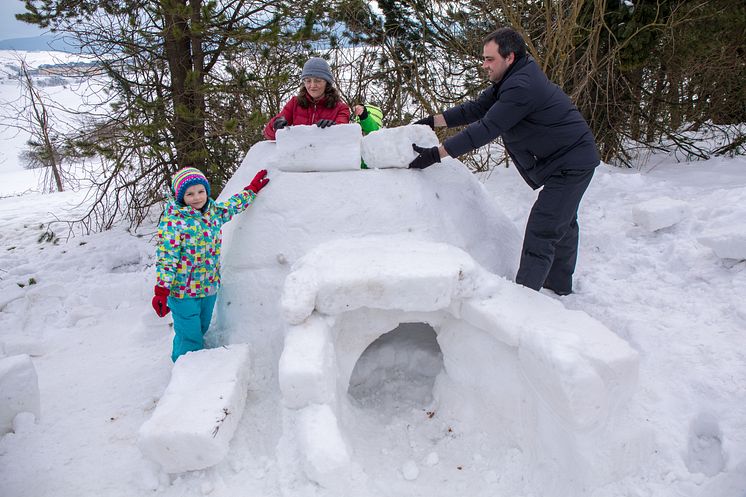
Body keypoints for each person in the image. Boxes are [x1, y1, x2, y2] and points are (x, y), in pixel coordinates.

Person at [409, 27, 600, 296]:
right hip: (564, 158)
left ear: (509, 57)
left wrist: (435, 154)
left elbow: (486, 128)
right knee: (563, 223)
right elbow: (474, 109)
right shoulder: (511, 79)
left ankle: (523, 301)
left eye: (489, 59)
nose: (483, 65)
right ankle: (558, 288)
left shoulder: (521, 87)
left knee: (543, 227)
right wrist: (433, 121)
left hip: (571, 161)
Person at [151, 167, 270, 361]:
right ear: (181, 196)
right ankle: (188, 371)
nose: (197, 197)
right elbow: (167, 258)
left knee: (201, 327)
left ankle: (191, 357)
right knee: (189, 336)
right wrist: (161, 291)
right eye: (190, 194)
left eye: (201, 191)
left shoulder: (212, 213)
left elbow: (232, 206)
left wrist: (251, 190)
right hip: (182, 292)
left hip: (208, 288)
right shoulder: (174, 222)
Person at [263, 57, 351, 140]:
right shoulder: (294, 103)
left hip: (326, 155)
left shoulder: (341, 108)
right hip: (299, 154)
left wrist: (333, 128)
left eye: (317, 81)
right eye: (308, 81)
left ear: (327, 83)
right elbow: (268, 134)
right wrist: (275, 126)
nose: (312, 86)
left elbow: (343, 137)